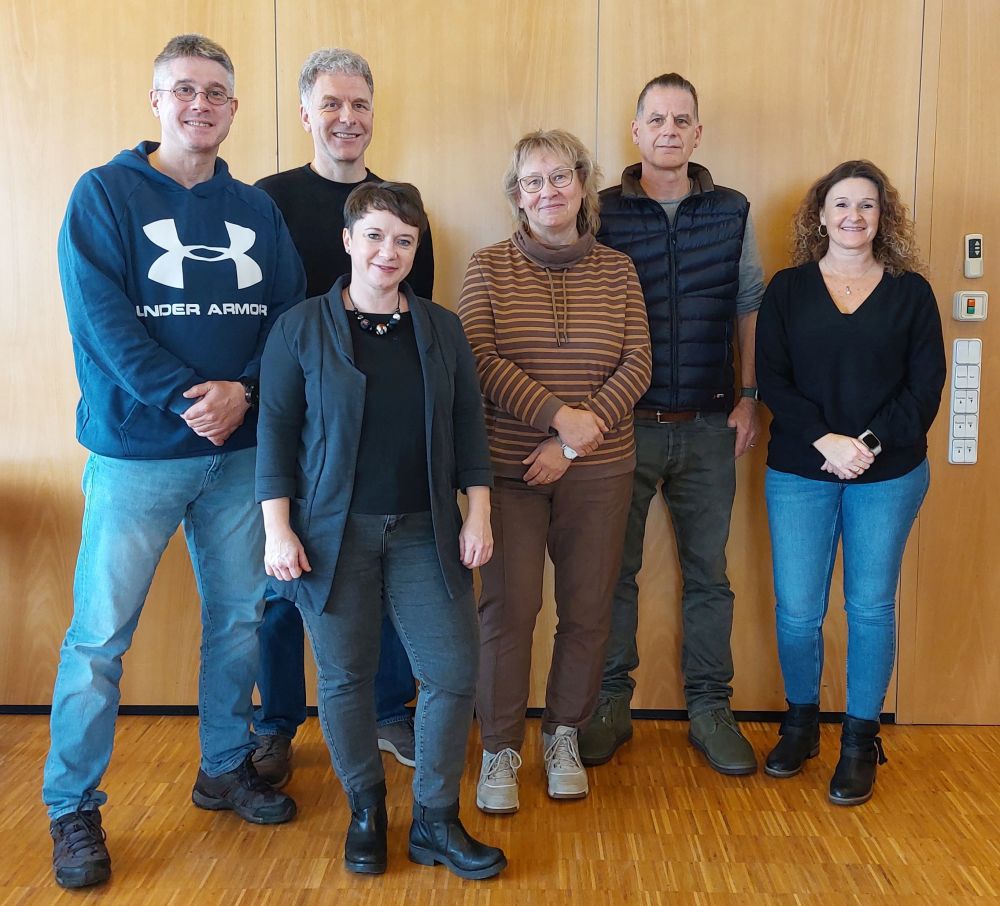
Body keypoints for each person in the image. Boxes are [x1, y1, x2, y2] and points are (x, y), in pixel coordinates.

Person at [44, 34, 305, 890]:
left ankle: (224, 766)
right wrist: (193, 397)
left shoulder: (255, 210)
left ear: (234, 109)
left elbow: (288, 314)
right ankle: (71, 806)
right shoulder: (104, 194)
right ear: (157, 99)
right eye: (185, 89)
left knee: (237, 620)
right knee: (98, 639)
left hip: (240, 456)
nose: (201, 104)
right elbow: (101, 320)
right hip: (137, 454)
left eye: (216, 93)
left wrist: (246, 393)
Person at [256, 181, 506, 879]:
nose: (387, 252)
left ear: (416, 249)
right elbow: (275, 435)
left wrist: (478, 511)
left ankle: (435, 820)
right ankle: (366, 810)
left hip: (427, 530)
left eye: (403, 240)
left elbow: (468, 428)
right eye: (373, 236)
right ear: (347, 240)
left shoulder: (441, 328)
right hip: (332, 537)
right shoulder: (299, 328)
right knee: (346, 678)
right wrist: (278, 529)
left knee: (452, 672)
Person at [252, 48, 432, 784]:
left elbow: (420, 335)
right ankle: (276, 724)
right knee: (283, 583)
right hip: (291, 428)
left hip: (375, 442)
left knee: (381, 581)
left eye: (359, 104)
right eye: (331, 103)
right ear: (305, 114)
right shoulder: (266, 202)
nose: (346, 117)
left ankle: (389, 710)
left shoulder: (401, 207)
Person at [459, 129, 651, 814]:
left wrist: (572, 442)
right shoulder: (487, 266)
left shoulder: (619, 271)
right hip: (509, 472)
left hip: (599, 470)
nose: (549, 191)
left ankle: (564, 734)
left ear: (583, 184)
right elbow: (477, 359)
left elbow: (638, 363)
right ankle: (500, 749)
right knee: (508, 612)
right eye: (533, 181)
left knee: (589, 610)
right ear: (517, 195)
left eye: (561, 176)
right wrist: (555, 416)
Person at [579, 73, 765, 775]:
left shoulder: (732, 210)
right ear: (636, 131)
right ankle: (610, 704)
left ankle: (712, 707)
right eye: (655, 119)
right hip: (624, 425)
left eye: (681, 120)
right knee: (613, 574)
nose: (668, 130)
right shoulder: (600, 211)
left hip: (711, 423)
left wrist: (749, 396)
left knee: (709, 576)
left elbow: (748, 300)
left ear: (697, 133)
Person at [756, 159, 945, 805]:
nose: (853, 216)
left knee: (869, 607)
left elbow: (924, 388)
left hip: (888, 474)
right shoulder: (787, 289)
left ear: (883, 217)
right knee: (797, 610)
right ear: (820, 214)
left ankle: (860, 741)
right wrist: (825, 441)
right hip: (799, 471)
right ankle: (801, 725)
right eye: (841, 203)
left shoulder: (911, 294)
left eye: (867, 205)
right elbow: (772, 378)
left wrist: (863, 446)